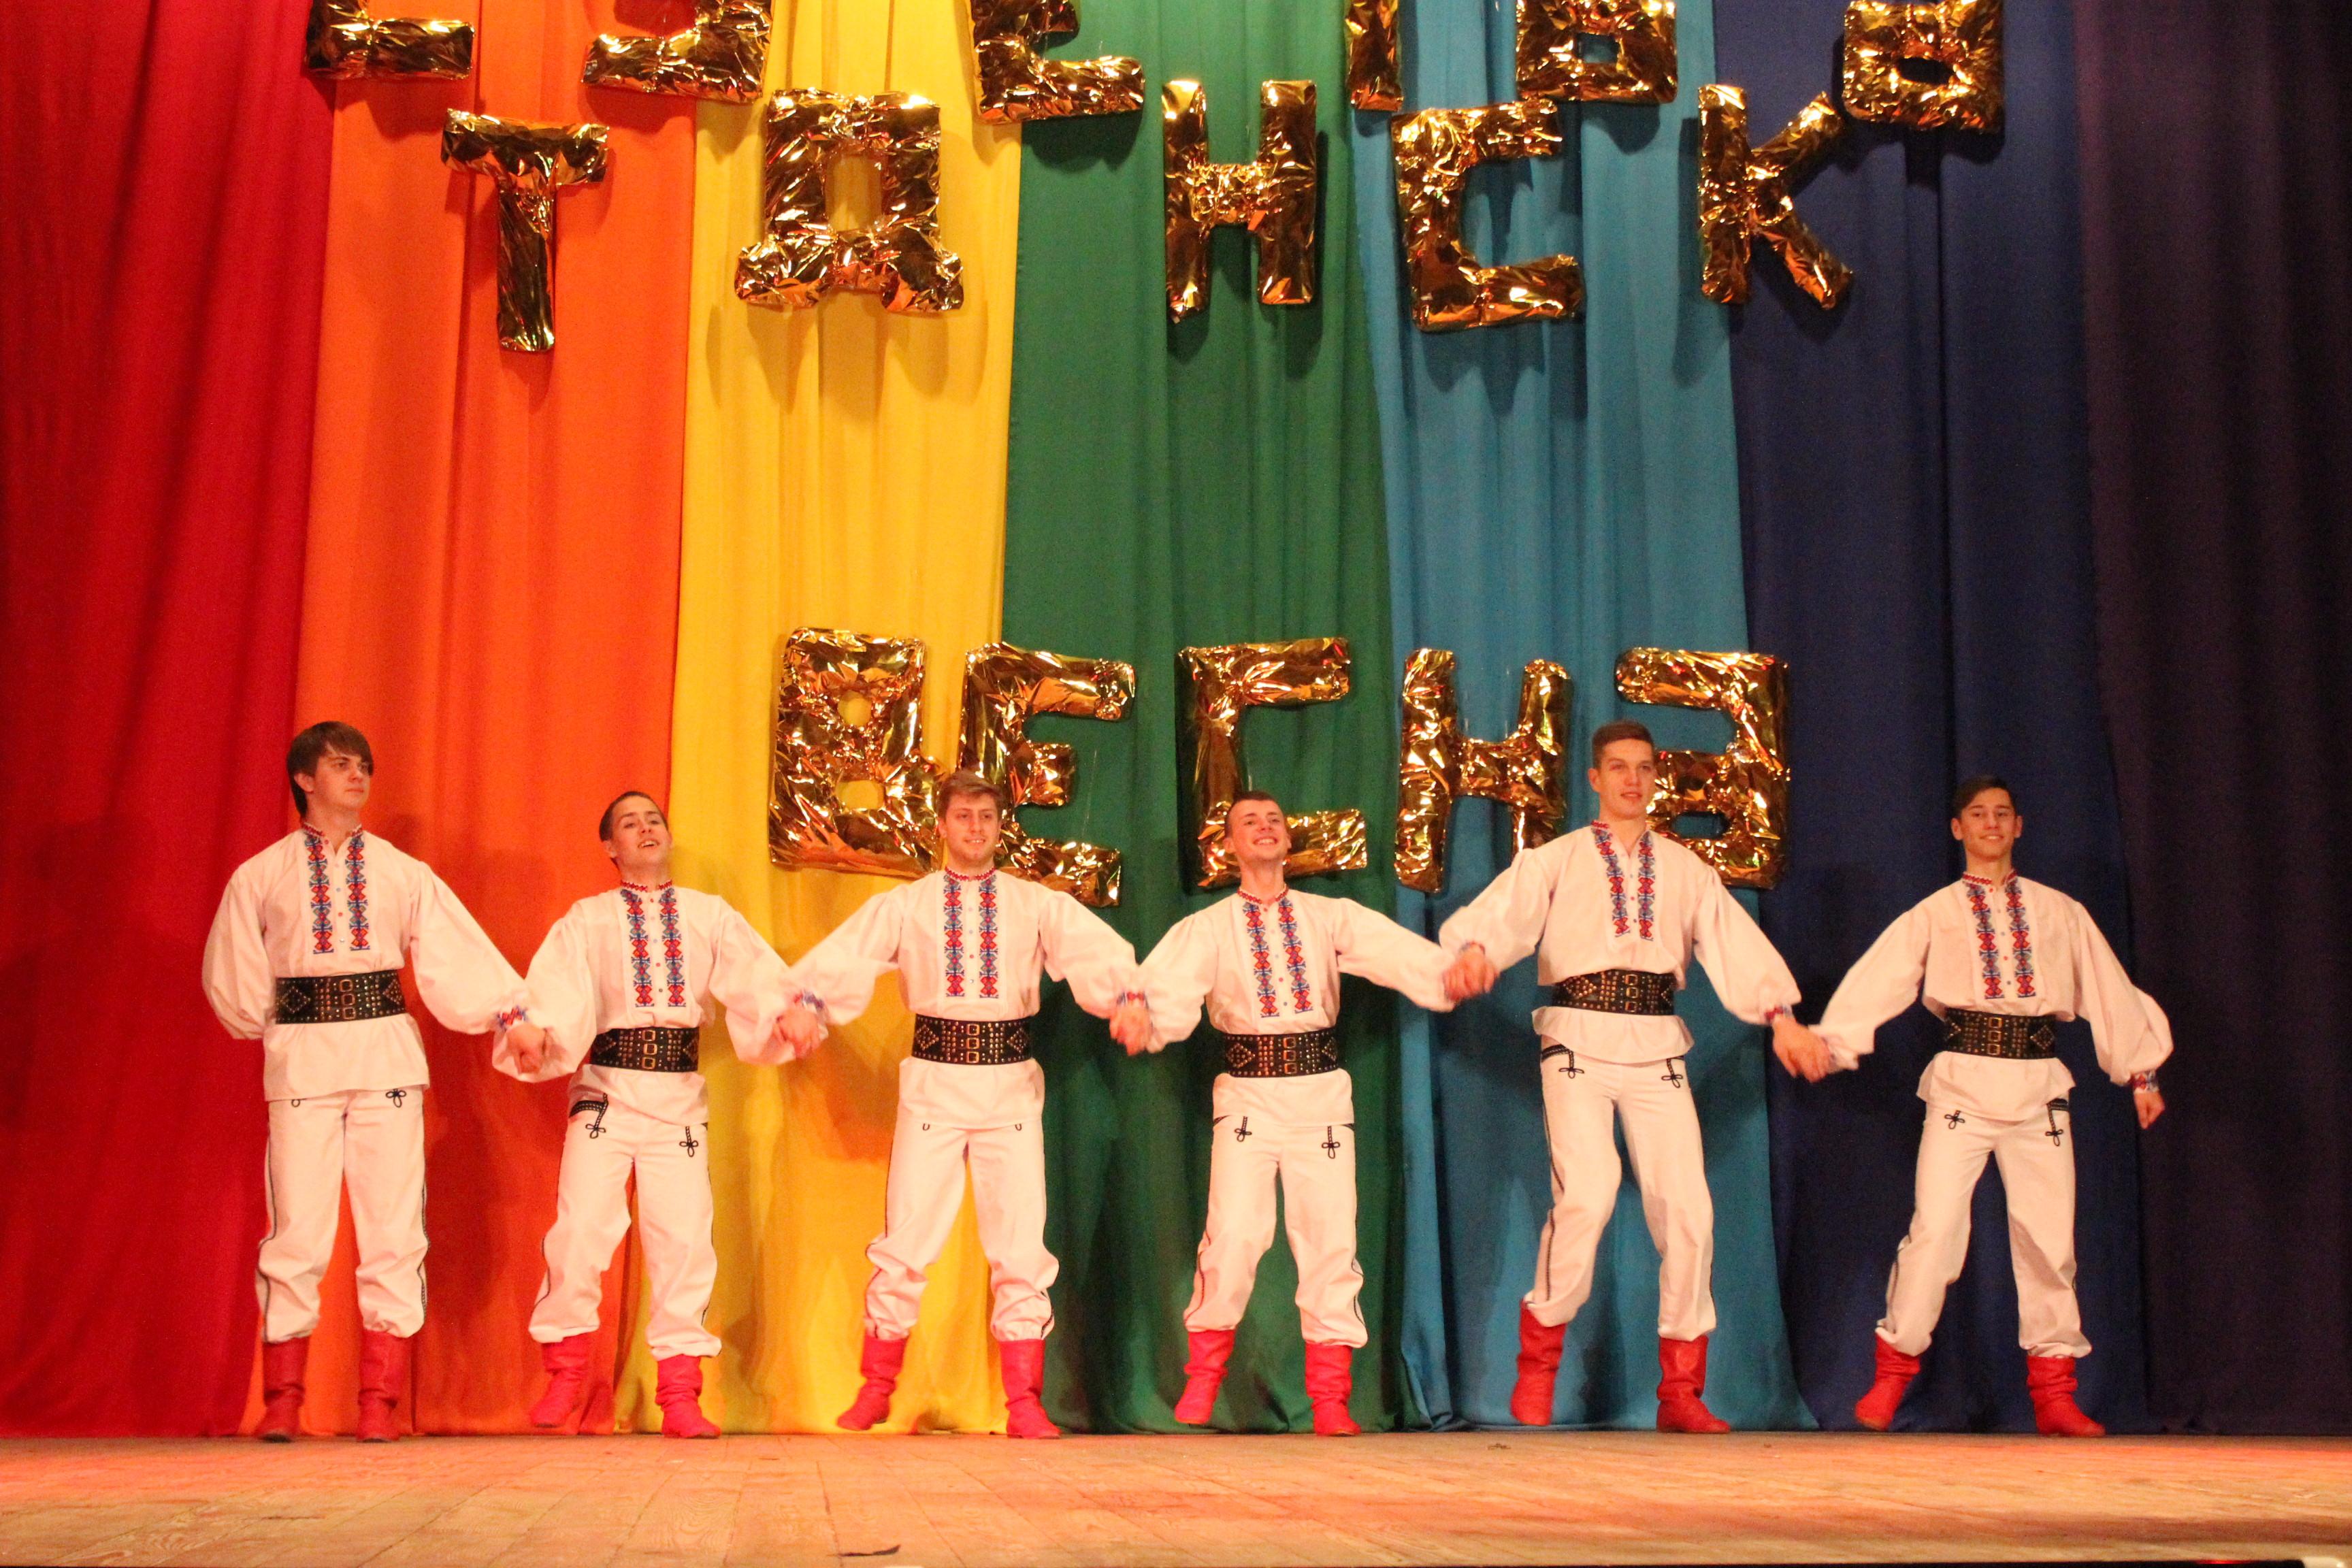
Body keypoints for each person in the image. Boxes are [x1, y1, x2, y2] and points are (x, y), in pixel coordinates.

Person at [1439, 719, 1830, 1432]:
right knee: (1587, 1193)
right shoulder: (1557, 859)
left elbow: (1733, 944)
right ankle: (1540, 1363)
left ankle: (1681, 1393)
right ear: (1595, 779)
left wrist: (1782, 1018)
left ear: (1656, 778)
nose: (1632, 780)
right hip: (1578, 1039)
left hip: (1655, 1047)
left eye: (1644, 768)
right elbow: (1498, 919)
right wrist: (1474, 951)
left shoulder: (1684, 870)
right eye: (1618, 767)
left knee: (1689, 1210)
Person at [777, 772, 1153, 1437]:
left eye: (986, 816)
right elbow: (844, 957)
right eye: (963, 816)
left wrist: (1127, 1000)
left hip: (1009, 1085)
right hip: (935, 1083)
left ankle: (1024, 1403)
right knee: (907, 1238)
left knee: (1019, 1243)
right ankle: (876, 1387)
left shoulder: (1035, 904)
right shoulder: (909, 905)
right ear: (941, 826)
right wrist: (808, 1005)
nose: (975, 827)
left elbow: (1099, 956)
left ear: (1000, 826)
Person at [203, 721, 544, 1442]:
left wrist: (511, 1014)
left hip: (385, 1053)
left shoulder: (399, 872)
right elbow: (235, 973)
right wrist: (264, 1019)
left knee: (393, 1225)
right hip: (302, 1057)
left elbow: (456, 949)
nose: (357, 775)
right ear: (305, 779)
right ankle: (284, 1400)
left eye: (364, 764)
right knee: (297, 1227)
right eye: (340, 764)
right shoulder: (261, 875)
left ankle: (378, 1404)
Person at [1814, 775, 2171, 1437]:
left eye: (2002, 813)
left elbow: (2108, 989)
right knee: (1935, 1231)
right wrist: (1833, 1044)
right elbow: (1882, 977)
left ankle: (2055, 1395)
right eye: (1978, 814)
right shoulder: (1936, 913)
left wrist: (2141, 1074)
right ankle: (1891, 1376)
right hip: (1962, 1085)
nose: (1991, 824)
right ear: (1958, 829)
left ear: (2019, 826)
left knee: (2048, 1240)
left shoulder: (2060, 912)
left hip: (2038, 1087)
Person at [1134, 791, 1456, 1435]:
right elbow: (1161, 992)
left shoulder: (1329, 917)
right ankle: (1204, 1376)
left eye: (1274, 821)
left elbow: (1396, 953)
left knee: (1330, 1237)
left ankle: (1331, 1399)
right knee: (1235, 1233)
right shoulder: (1207, 928)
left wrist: (1448, 973)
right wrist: (1144, 1018)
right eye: (1249, 822)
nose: (1264, 829)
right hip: (1248, 1094)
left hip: (1320, 1094)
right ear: (1230, 845)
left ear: (1288, 840)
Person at [496, 791, 807, 1439]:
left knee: (684, 1239)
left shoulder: (707, 915)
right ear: (609, 846)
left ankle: (680, 1394)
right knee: (581, 1230)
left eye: (654, 820)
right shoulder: (587, 920)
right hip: (607, 1091)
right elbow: (552, 992)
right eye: (629, 823)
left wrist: (788, 1013)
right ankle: (566, 1375)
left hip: (677, 1098)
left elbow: (759, 978)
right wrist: (533, 1031)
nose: (646, 829)